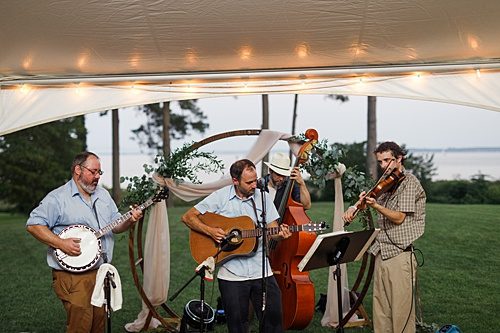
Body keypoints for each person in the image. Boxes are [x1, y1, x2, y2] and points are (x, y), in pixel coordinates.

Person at [26, 151, 143, 333]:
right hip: (73, 276)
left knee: (99, 323)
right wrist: (61, 243)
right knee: (81, 325)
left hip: (101, 272)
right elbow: (34, 225)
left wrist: (130, 220)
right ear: (77, 170)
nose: (97, 177)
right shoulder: (58, 198)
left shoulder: (103, 195)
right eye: (93, 171)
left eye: (99, 173)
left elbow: (116, 225)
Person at [182, 159, 292, 333]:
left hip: (261, 270)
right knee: (237, 327)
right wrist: (210, 231)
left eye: (255, 180)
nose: (254, 185)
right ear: (235, 180)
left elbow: (273, 232)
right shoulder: (220, 197)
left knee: (273, 324)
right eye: (249, 182)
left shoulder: (263, 198)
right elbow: (188, 217)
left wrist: (280, 235)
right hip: (232, 275)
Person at [343, 141, 426, 333]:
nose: (383, 166)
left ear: (399, 158)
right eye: (380, 162)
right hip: (381, 251)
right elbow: (367, 201)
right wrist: (354, 207)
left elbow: (398, 218)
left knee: (401, 313)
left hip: (399, 254)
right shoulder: (386, 182)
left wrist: (376, 206)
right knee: (381, 310)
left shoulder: (409, 182)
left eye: (387, 160)